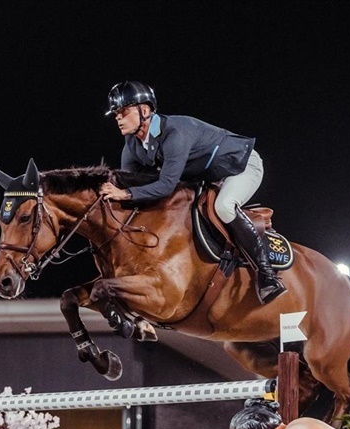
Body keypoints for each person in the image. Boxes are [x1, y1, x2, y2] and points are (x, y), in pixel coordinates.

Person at [98, 80, 285, 305]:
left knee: (224, 206)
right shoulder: (132, 145)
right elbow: (129, 181)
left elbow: (165, 185)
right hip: (209, 177)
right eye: (116, 114)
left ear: (144, 110)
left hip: (240, 166)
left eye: (123, 112)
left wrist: (126, 194)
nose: (118, 118)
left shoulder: (174, 132)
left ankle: (267, 276)